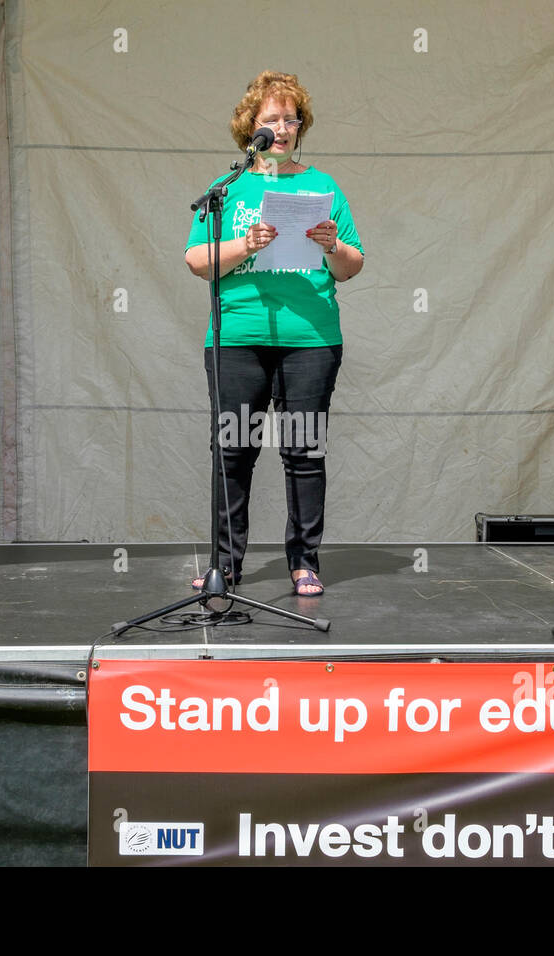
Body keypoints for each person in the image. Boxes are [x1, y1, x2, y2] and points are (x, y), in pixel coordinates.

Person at [184, 71, 364, 596]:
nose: (283, 129)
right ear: (251, 129)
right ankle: (227, 565)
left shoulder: (323, 186)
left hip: (310, 339)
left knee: (304, 452)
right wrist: (246, 245)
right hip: (238, 337)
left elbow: (351, 267)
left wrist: (331, 245)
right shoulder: (228, 190)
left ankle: (304, 561)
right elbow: (197, 260)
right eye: (272, 120)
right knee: (232, 452)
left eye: (292, 119)